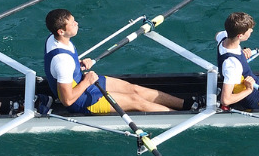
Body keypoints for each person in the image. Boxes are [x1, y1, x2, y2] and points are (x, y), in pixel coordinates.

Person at [43, 8, 190, 114]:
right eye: (72, 23)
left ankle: (187, 104)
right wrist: (87, 81)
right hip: (80, 101)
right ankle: (182, 116)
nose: (76, 23)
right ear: (61, 31)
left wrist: (78, 63)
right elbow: (67, 100)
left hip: (83, 81)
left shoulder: (54, 39)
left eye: (74, 20)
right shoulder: (62, 61)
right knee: (135, 100)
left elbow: (63, 66)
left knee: (135, 89)